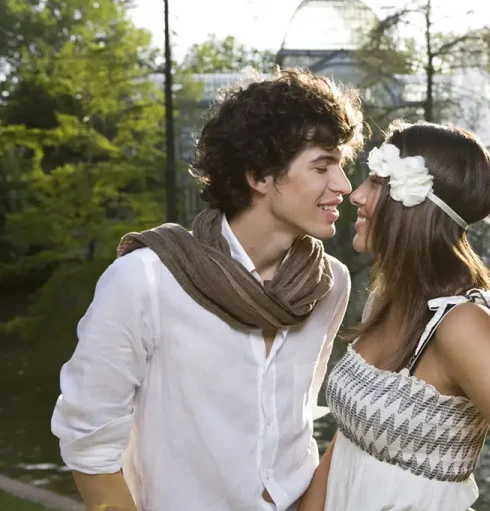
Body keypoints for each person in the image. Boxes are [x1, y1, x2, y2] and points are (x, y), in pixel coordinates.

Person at [51, 68, 365, 511]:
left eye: (341, 165)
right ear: (259, 176)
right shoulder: (146, 280)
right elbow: (88, 440)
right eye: (322, 166)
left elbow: (297, 420)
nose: (344, 186)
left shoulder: (329, 283)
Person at [298, 121, 490, 511]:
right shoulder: (386, 299)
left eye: (376, 182)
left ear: (414, 203)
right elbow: (348, 439)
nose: (356, 194)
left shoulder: (462, 325)